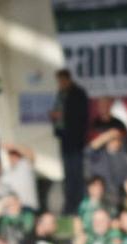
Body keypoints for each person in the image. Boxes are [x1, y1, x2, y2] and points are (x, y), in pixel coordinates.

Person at [51, 69, 90, 215]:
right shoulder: (61, 94)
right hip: (65, 141)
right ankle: (69, 206)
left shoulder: (78, 94)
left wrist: (62, 115)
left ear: (67, 79)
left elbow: (79, 117)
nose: (59, 84)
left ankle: (78, 206)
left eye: (61, 81)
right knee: (68, 176)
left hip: (75, 142)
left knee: (76, 175)